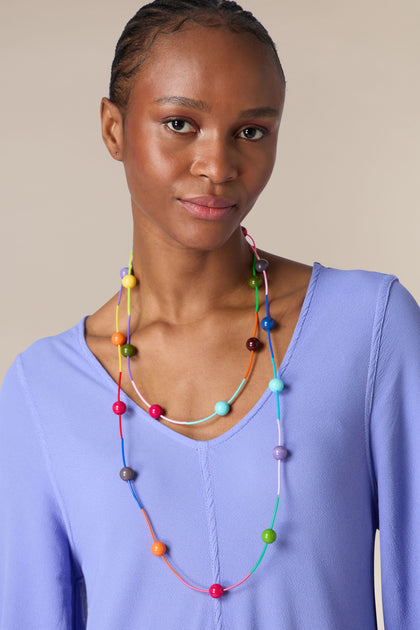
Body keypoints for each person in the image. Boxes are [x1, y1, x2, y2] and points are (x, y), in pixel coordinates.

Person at [0, 1, 419, 628]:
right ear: (114, 130)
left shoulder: (372, 328)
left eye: (251, 131)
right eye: (179, 124)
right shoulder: (42, 392)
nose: (218, 167)